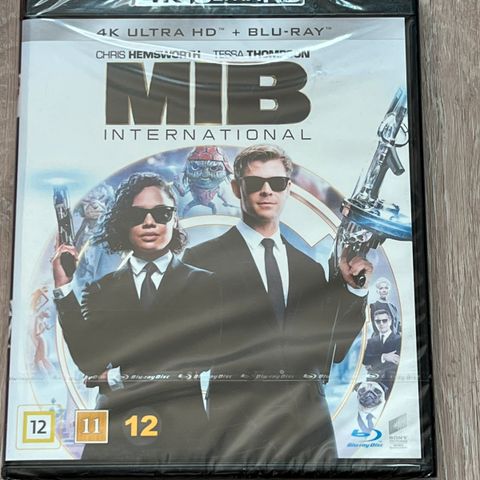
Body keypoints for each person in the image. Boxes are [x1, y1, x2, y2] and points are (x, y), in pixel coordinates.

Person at [183, 145, 373, 463]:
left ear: (289, 189)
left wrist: (353, 292)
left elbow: (333, 351)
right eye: (255, 183)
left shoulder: (309, 269)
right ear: (236, 188)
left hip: (308, 429)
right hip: (236, 428)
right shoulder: (200, 260)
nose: (267, 190)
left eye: (277, 182)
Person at [52, 173, 220, 462]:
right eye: (137, 215)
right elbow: (90, 362)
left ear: (174, 219)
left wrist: (118, 377)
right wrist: (64, 287)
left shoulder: (205, 284)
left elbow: (204, 356)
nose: (149, 222)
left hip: (184, 436)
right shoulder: (103, 289)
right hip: (115, 435)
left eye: (161, 213)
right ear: (123, 223)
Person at [363, 309, 401, 396]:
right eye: (378, 321)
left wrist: (374, 360)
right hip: (373, 383)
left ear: (390, 321)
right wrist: (384, 357)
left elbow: (397, 360)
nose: (381, 324)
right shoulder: (371, 341)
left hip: (392, 382)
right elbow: (365, 360)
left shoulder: (399, 339)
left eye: (384, 320)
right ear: (375, 323)